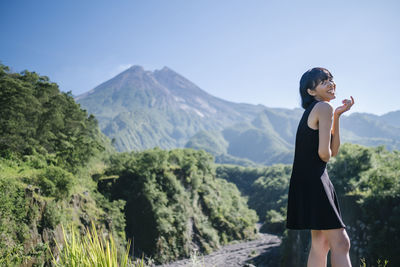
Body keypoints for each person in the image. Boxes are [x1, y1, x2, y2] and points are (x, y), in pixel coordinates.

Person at [286, 67, 355, 267]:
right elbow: (325, 154)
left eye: (331, 79)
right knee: (341, 243)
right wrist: (332, 114)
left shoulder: (320, 110)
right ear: (311, 91)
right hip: (316, 180)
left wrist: (337, 117)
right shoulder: (323, 108)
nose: (331, 84)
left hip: (308, 179)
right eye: (324, 82)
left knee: (321, 243)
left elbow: (333, 152)